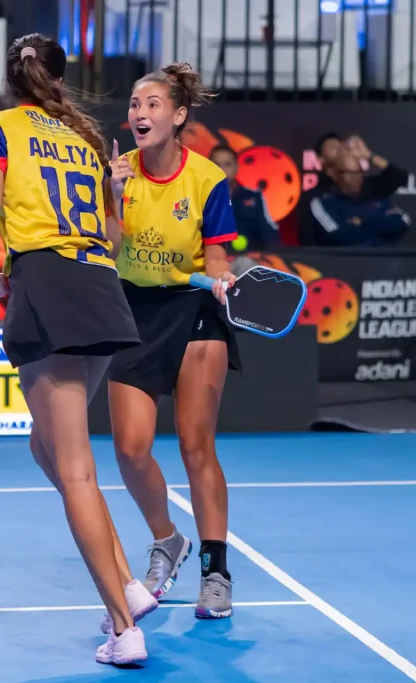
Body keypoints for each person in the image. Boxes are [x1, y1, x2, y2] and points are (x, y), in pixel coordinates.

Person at [0, 34, 152, 665]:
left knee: (73, 468)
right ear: (59, 78)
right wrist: (9, 277)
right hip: (98, 288)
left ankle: (124, 627)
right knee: (45, 447)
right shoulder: (86, 138)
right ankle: (128, 584)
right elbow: (107, 237)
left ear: (10, 78)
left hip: (52, 293)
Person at [106, 63, 238, 620]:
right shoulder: (116, 173)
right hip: (133, 309)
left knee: (194, 445)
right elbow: (108, 250)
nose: (140, 113)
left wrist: (222, 277)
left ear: (179, 115)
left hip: (194, 310)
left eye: (153, 104)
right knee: (131, 449)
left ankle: (216, 571)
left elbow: (216, 254)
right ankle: (168, 539)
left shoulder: (207, 178)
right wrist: (113, 196)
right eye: (135, 105)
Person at [308, 147, 410, 246]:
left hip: (382, 257)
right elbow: (339, 235)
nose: (356, 178)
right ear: (335, 175)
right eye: (349, 173)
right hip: (342, 258)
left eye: (358, 172)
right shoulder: (324, 202)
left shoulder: (376, 195)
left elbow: (402, 222)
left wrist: (363, 222)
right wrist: (379, 235)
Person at [208, 145, 279, 252]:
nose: (222, 170)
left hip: (249, 257)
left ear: (236, 167)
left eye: (227, 164)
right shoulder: (198, 197)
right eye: (217, 164)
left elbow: (270, 233)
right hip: (210, 258)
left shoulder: (254, 197)